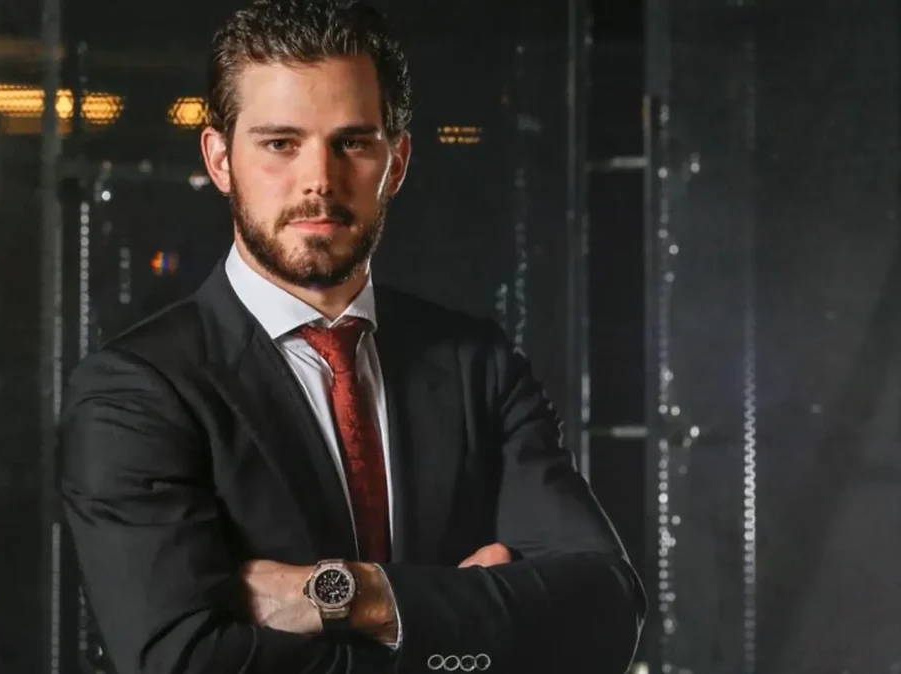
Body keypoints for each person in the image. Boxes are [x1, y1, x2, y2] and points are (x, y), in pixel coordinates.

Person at [58, 0, 646, 672]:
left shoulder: (474, 364)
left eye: (353, 143)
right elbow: (188, 661)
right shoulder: (137, 392)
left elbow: (605, 609)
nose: (319, 181)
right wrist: (468, 622)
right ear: (220, 160)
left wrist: (356, 595)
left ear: (395, 163)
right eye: (281, 143)